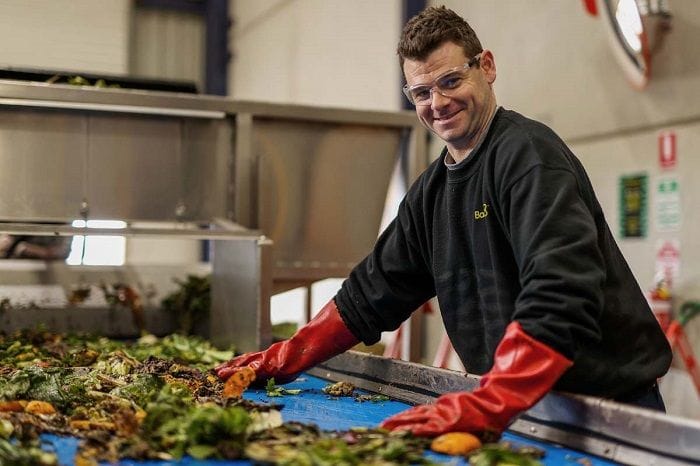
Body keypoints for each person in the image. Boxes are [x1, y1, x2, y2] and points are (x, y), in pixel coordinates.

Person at [216, 5, 672, 440]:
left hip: (604, 415)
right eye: (421, 92)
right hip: (517, 408)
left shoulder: (529, 158)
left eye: (451, 80)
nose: (438, 102)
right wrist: (284, 357)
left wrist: (488, 402)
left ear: (487, 67)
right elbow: (371, 293)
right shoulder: (433, 192)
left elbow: (561, 293)